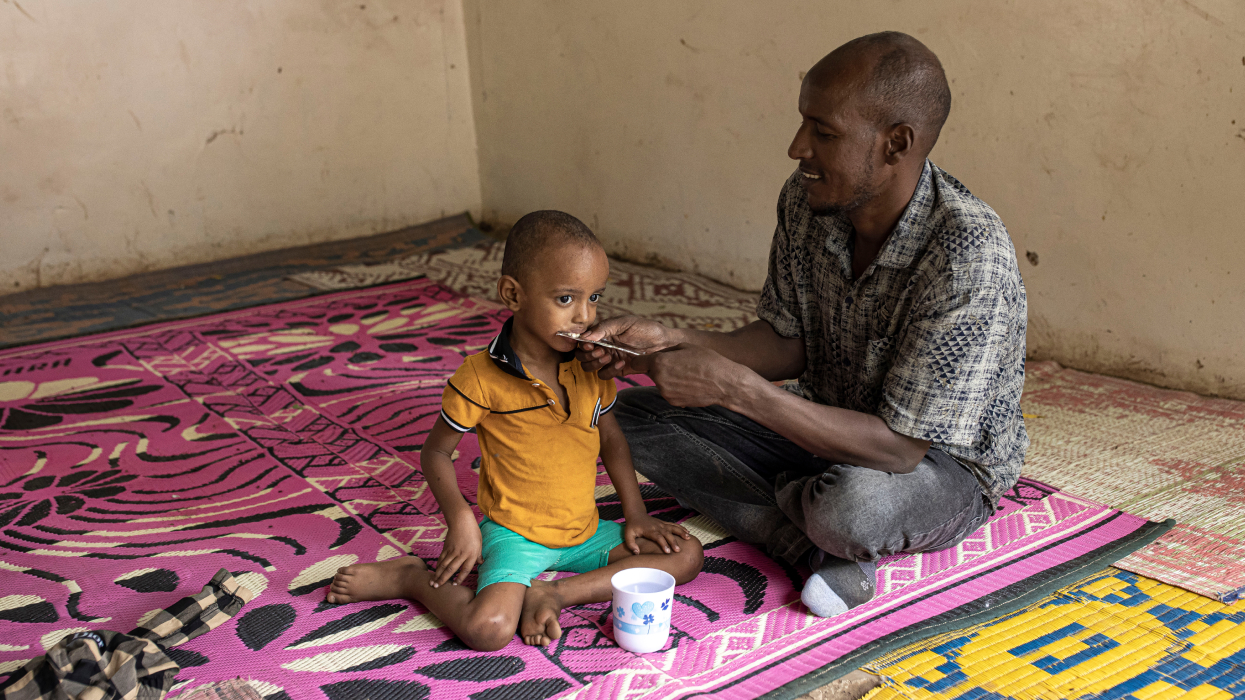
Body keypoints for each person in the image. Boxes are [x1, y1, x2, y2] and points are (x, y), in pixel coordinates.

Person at [577, 32, 1028, 619]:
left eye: (824, 132)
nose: (797, 148)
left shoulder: (968, 254)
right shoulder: (809, 201)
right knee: (633, 420)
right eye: (802, 124)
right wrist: (675, 340)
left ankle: (814, 525)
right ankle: (816, 548)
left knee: (852, 511)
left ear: (896, 144)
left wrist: (736, 392)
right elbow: (789, 343)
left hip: (934, 467)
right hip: (816, 432)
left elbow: (898, 447)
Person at [325, 210, 703, 651]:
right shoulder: (481, 378)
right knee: (488, 631)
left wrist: (635, 515)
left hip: (584, 532)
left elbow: (612, 439)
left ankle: (552, 594)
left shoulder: (591, 366)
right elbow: (435, 453)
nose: (584, 316)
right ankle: (412, 578)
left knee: (686, 556)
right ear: (513, 294)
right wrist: (461, 520)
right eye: (566, 299)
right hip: (515, 536)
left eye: (594, 297)